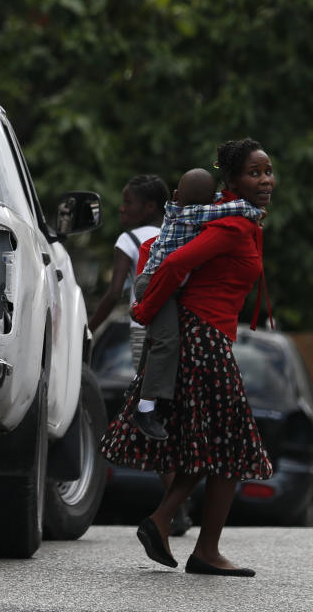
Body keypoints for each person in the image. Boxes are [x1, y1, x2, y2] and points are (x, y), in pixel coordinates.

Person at [101, 138, 275, 577]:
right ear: (232, 181)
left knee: (218, 445)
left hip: (208, 336)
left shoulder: (237, 218)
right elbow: (174, 263)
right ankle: (194, 542)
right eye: (255, 172)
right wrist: (143, 309)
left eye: (268, 171)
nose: (266, 180)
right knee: (228, 446)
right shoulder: (231, 225)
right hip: (202, 340)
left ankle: (176, 530)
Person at [130, 168, 263, 440]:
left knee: (157, 338)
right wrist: (254, 211)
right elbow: (174, 264)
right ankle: (144, 409)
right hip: (155, 283)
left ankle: (137, 387)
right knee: (166, 340)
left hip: (165, 285)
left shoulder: (189, 206)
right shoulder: (189, 213)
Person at [88, 174, 168, 339]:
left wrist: (88, 330)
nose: (122, 208)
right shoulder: (177, 235)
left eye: (128, 202)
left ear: (150, 206)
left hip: (142, 328)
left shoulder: (129, 240)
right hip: (175, 327)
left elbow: (114, 294)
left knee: (144, 366)